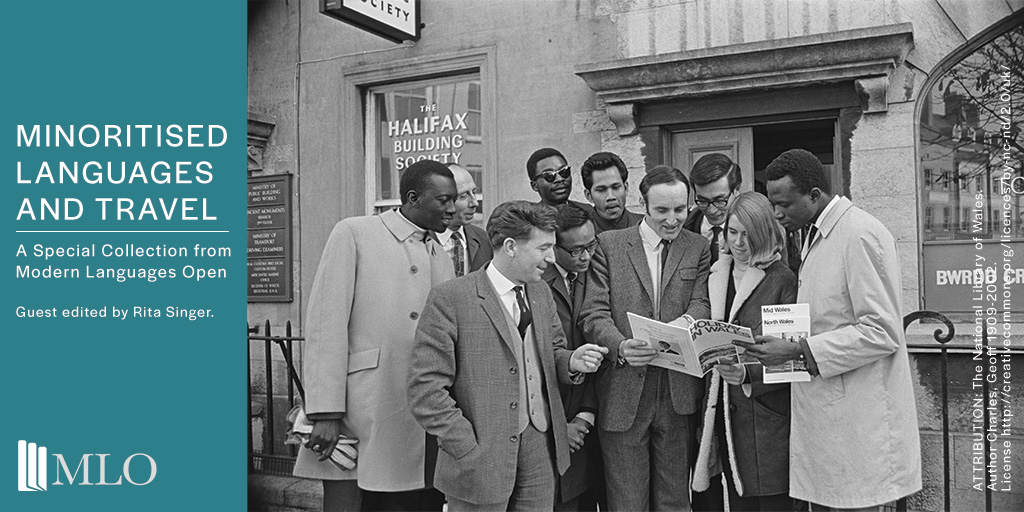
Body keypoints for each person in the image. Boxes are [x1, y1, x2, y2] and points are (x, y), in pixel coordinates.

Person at [741, 149, 922, 510]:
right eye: (772, 204)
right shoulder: (815, 234)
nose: (776, 214)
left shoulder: (858, 235)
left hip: (857, 427)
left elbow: (882, 331)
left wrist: (798, 351)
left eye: (784, 204)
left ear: (814, 195)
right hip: (830, 423)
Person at [408, 201, 608, 511]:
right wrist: (465, 445)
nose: (551, 257)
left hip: (540, 451)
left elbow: (551, 352)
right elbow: (426, 389)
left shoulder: (540, 292)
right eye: (543, 248)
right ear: (511, 246)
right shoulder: (450, 298)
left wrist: (571, 361)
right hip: (478, 456)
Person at [293, 160, 458, 512]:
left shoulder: (441, 256)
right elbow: (326, 322)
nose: (452, 208)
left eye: (453, 199)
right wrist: (325, 411)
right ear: (413, 198)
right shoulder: (354, 233)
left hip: (420, 410)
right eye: (443, 200)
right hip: (363, 407)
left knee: (411, 499)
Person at [580, 165, 712, 511]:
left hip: (677, 393)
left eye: (680, 210)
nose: (672, 220)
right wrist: (620, 346)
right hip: (623, 389)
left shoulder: (697, 246)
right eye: (662, 211)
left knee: (675, 501)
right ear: (643, 203)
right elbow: (592, 314)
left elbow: (702, 303)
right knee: (627, 502)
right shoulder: (608, 245)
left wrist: (682, 325)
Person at [690, 192, 798, 512]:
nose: (739, 242)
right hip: (721, 413)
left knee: (770, 502)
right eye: (732, 232)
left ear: (764, 232)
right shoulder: (715, 274)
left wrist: (747, 373)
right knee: (734, 500)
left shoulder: (782, 279)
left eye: (748, 234)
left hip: (765, 419)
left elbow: (792, 358)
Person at [544, 203, 606, 511]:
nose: (586, 256)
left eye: (590, 246)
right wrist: (561, 426)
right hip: (553, 418)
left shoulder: (599, 271)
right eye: (576, 250)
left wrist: (587, 412)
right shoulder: (535, 280)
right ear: (553, 246)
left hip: (592, 412)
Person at [684, 153, 798, 273]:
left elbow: (780, 279)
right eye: (703, 201)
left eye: (719, 200)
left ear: (736, 190)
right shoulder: (684, 227)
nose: (712, 210)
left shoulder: (769, 228)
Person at [438, 163, 492, 276]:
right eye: (463, 196)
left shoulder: (483, 239)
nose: (475, 203)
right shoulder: (419, 241)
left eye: (474, 192)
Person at [579, 151, 644, 234]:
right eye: (601, 190)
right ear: (589, 196)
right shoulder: (580, 234)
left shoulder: (645, 227)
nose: (610, 196)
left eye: (616, 187)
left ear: (626, 188)